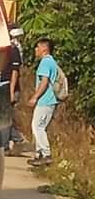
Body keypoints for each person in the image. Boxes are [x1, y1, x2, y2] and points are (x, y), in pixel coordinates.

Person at [28, 37, 59, 167]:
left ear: (44, 49)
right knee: (38, 126)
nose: (36, 50)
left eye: (38, 47)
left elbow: (44, 82)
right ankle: (39, 154)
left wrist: (35, 97)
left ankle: (46, 154)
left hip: (45, 100)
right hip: (48, 100)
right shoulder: (52, 61)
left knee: (37, 127)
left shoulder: (45, 63)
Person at [2, 26, 26, 153]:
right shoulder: (4, 49)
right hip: (3, 88)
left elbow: (15, 72)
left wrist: (11, 91)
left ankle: (6, 145)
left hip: (10, 88)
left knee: (5, 117)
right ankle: (17, 138)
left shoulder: (13, 50)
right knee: (5, 116)